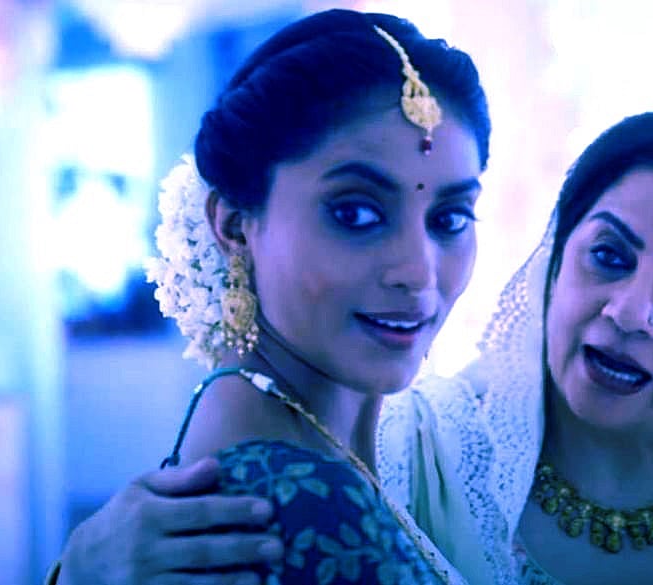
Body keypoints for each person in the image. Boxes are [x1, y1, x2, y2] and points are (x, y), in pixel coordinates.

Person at [56, 112, 653, 583]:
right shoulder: (405, 450)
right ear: (554, 261)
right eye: (609, 256)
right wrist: (80, 574)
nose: (630, 312)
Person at [50, 7, 490, 585]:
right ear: (234, 225)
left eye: (450, 218)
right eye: (356, 214)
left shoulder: (355, 444)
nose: (418, 272)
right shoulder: (307, 506)